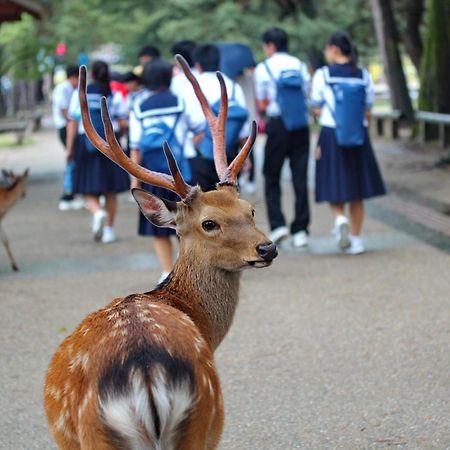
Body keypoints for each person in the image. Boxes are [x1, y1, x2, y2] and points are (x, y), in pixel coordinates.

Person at [310, 31, 386, 255]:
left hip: (332, 134)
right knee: (357, 190)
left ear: (334, 49)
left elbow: (316, 107)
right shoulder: (363, 75)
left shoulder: (323, 75)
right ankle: (357, 240)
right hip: (358, 135)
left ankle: (339, 218)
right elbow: (368, 109)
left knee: (331, 183)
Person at [129, 59, 204, 283]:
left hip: (152, 175)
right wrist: (189, 146)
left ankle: (165, 271)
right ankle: (186, 268)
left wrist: (135, 180)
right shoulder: (180, 102)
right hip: (182, 175)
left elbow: (135, 147)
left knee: (158, 223)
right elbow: (200, 129)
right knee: (186, 223)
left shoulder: (139, 107)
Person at [254, 27, 311, 248]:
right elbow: (306, 93)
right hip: (300, 125)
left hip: (278, 126)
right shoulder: (299, 65)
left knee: (271, 174)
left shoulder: (263, 68)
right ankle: (301, 230)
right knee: (300, 177)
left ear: (270, 45)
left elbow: (261, 103)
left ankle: (278, 225)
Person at [66, 60, 129, 243]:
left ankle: (97, 212)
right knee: (111, 190)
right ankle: (109, 230)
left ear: (92, 74)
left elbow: (72, 122)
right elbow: (123, 122)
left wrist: (69, 149)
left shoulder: (80, 93)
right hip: (111, 145)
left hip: (86, 144)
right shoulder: (113, 93)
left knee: (87, 187)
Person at [183, 44, 250, 192]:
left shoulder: (189, 87)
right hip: (229, 154)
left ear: (198, 65)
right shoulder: (232, 86)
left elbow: (183, 124)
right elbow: (243, 128)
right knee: (227, 202)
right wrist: (245, 157)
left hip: (198, 152)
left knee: (202, 205)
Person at [52, 65, 84, 211]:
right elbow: (65, 110)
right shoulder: (63, 88)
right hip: (65, 128)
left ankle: (73, 191)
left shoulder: (69, 88)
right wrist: (73, 123)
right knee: (71, 158)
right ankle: (68, 193)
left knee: (74, 159)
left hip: (69, 127)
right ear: (73, 77)